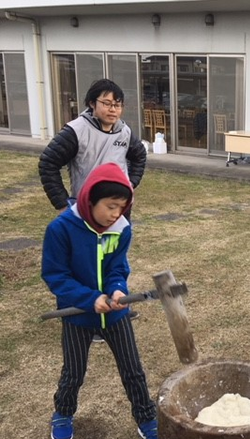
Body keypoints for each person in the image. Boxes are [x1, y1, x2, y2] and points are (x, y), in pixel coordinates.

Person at [41, 163, 157, 439]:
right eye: (110, 206)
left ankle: (148, 419)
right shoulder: (61, 229)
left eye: (121, 206)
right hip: (77, 316)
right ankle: (63, 412)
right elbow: (56, 275)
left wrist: (117, 290)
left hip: (116, 316)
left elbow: (117, 268)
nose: (116, 213)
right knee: (73, 372)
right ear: (90, 199)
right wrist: (89, 299)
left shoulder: (120, 229)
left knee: (133, 370)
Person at [39, 78, 147, 322]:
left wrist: (130, 185)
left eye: (118, 105)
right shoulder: (76, 131)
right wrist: (61, 203)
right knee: (82, 265)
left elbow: (139, 157)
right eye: (107, 103)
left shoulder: (124, 131)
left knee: (114, 261)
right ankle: (85, 316)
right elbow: (48, 163)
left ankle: (116, 305)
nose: (113, 110)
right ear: (91, 103)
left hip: (115, 210)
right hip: (86, 213)